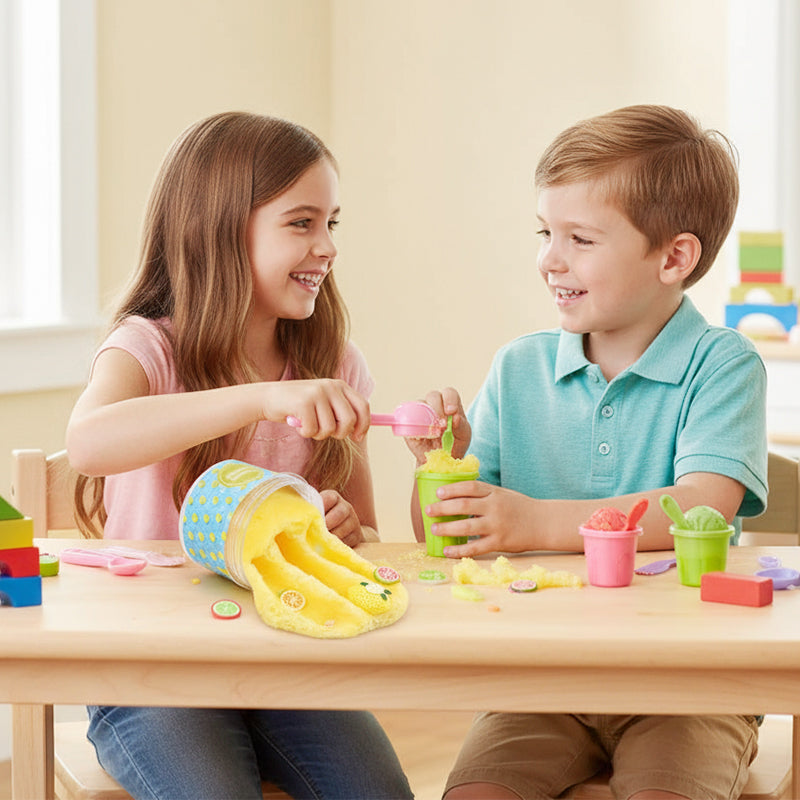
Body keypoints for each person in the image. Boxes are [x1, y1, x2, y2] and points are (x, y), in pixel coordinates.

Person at [406, 105, 768, 800]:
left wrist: (534, 522)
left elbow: (701, 509)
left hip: (688, 684)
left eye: (580, 238)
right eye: (545, 232)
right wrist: (438, 473)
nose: (550, 258)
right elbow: (441, 539)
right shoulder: (518, 371)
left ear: (674, 257)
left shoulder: (723, 366)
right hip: (544, 681)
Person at [65, 111, 413, 800]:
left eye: (331, 223)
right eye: (301, 222)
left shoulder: (332, 364)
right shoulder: (148, 349)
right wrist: (258, 400)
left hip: (286, 663)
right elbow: (88, 443)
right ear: (220, 229)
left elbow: (366, 537)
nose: (327, 247)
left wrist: (346, 528)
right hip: (147, 672)